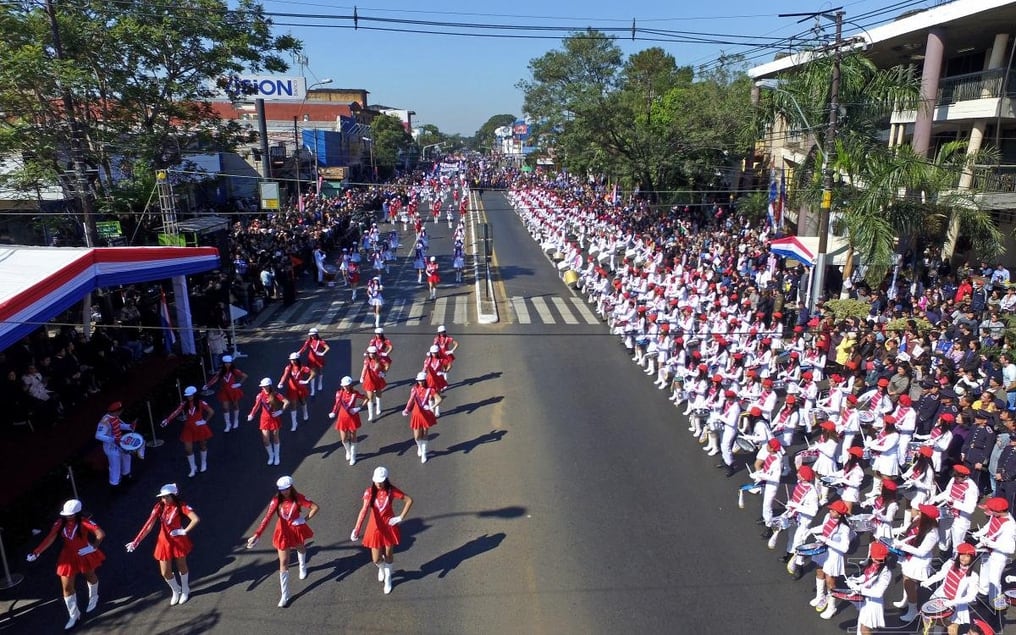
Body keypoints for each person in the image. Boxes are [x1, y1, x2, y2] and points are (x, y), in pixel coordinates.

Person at [25, 499, 105, 630]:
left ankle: (94, 597)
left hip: (83, 553)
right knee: (67, 587)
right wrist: (37, 552)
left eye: (71, 514)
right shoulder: (59, 523)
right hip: (67, 557)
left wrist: (93, 547)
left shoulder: (84, 521)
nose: (68, 516)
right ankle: (74, 615)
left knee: (90, 576)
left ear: (77, 513)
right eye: (66, 514)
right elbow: (50, 537)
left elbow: (100, 534)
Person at [247, 476, 320, 607]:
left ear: (291, 487)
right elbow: (266, 518)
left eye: (286, 489)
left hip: (295, 529)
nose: (284, 492)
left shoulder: (299, 497)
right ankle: (285, 595)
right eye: (281, 490)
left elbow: (315, 507)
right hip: (282, 532)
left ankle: (302, 566)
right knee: (284, 561)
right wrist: (256, 535)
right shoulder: (275, 501)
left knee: (300, 548)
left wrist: (304, 519)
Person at [125, 483, 199, 607]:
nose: (163, 499)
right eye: (162, 497)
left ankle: (185, 589)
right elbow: (149, 525)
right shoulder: (159, 507)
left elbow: (195, 519)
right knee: (165, 572)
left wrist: (184, 531)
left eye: (166, 497)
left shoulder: (181, 506)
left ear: (173, 496)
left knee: (182, 566)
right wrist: (136, 541)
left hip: (178, 540)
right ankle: (176, 590)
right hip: (164, 541)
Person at [350, 466, 413, 595]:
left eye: (381, 480)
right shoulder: (369, 492)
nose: (378, 483)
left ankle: (388, 578)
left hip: (389, 526)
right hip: (374, 528)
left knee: (389, 554)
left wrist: (400, 517)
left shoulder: (391, 491)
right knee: (376, 559)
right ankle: (382, 568)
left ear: (386, 479)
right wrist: (357, 529)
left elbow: (409, 500)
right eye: (376, 480)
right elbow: (364, 510)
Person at [891, 503, 941, 622]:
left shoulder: (932, 534)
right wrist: (890, 532)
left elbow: (922, 552)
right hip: (909, 557)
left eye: (921, 512)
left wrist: (902, 546)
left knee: (910, 585)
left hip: (918, 561)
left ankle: (913, 610)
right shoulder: (918, 520)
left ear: (927, 518)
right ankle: (905, 601)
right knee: (905, 579)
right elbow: (905, 530)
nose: (918, 512)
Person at [921, 542, 979, 634]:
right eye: (962, 555)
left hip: (956, 604)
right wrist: (928, 581)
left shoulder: (973, 576)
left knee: (952, 628)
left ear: (972, 558)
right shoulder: (950, 563)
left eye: (967, 556)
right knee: (938, 622)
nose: (963, 558)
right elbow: (940, 574)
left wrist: (952, 602)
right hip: (942, 596)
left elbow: (970, 597)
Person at [835, 541, 892, 631]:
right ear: (871, 556)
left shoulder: (886, 573)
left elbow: (878, 593)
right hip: (866, 599)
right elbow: (867, 576)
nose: (881, 561)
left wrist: (859, 588)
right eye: (878, 559)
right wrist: (856, 579)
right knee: (861, 626)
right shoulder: (873, 564)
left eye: (883, 559)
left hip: (874, 603)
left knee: (865, 629)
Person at [810, 499, 853, 617]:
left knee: (830, 582)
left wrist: (827, 541)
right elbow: (823, 527)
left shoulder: (844, 528)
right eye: (831, 509)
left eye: (833, 510)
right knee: (819, 572)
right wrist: (810, 530)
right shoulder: (827, 517)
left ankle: (832, 607)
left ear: (839, 514)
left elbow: (844, 548)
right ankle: (820, 596)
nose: (830, 511)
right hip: (823, 551)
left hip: (834, 555)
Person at [160, 386, 215, 478]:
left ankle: (203, 463)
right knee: (188, 449)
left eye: (190, 395)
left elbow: (211, 411)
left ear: (194, 395)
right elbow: (176, 412)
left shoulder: (201, 403)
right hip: (189, 428)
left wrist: (204, 421)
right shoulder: (184, 404)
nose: (189, 397)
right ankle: (193, 468)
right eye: (187, 396)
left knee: (202, 445)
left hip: (200, 426)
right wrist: (167, 420)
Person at [972, 496, 1015, 610]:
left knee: (994, 581)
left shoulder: (1010, 526)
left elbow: (1010, 549)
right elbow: (988, 527)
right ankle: (983, 596)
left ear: (999, 511)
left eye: (990, 509)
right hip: (988, 550)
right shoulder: (995, 515)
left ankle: (996, 605)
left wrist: (989, 543)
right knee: (984, 575)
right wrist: (978, 534)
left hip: (998, 555)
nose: (988, 511)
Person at [931, 464, 980, 554]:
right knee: (943, 532)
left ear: (965, 477)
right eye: (955, 477)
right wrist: (934, 500)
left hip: (961, 518)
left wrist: (954, 503)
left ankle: (955, 559)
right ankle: (943, 552)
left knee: (957, 541)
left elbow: (970, 508)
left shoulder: (972, 488)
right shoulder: (954, 479)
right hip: (948, 511)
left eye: (958, 478)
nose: (955, 479)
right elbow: (947, 492)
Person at [95, 401, 137, 490]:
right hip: (111, 447)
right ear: (116, 411)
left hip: (119, 442)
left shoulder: (114, 417)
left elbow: (118, 425)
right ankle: (115, 486)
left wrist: (129, 426)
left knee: (127, 457)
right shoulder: (104, 421)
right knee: (115, 466)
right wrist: (112, 439)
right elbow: (98, 435)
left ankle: (126, 476)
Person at [248, 378, 290, 466]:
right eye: (262, 386)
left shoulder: (276, 394)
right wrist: (252, 414)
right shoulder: (260, 395)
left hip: (274, 418)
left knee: (275, 437)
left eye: (265, 386)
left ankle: (277, 455)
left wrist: (281, 411)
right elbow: (256, 406)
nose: (263, 388)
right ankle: (271, 455)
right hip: (264, 419)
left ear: (269, 386)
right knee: (265, 440)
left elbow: (286, 402)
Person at [202, 354, 247, 432]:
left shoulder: (234, 371)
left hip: (233, 391)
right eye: (226, 363)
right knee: (225, 408)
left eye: (229, 363)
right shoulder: (220, 372)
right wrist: (208, 385)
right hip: (224, 391)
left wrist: (239, 384)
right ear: (223, 364)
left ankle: (236, 420)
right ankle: (228, 424)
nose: (227, 364)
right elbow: (215, 379)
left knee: (235, 405)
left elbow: (245, 376)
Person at [403, 371, 440, 464]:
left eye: (423, 380)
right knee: (417, 436)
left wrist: (432, 407)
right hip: (416, 413)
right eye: (419, 381)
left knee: (425, 434)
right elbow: (411, 400)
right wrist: (407, 409)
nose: (421, 382)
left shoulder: (430, 390)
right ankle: (419, 447)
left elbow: (439, 399)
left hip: (426, 413)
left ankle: (424, 453)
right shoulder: (414, 389)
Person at [329, 376, 366, 466]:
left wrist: (358, 408)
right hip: (342, 418)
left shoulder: (355, 393)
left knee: (353, 437)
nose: (346, 387)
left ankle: (353, 455)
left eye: (348, 385)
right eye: (344, 386)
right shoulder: (339, 393)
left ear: (351, 385)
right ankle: (348, 451)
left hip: (352, 417)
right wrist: (333, 412)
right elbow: (337, 404)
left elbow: (366, 398)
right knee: (344, 438)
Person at [278, 352, 313, 432]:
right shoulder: (288, 367)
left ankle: (305, 413)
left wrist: (307, 381)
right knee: (293, 405)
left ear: (297, 360)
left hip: (301, 388)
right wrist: (281, 382)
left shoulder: (302, 367)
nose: (292, 361)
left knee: (302, 401)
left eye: (294, 360)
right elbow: (284, 375)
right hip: (292, 389)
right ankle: (294, 423)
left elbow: (313, 373)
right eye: (291, 360)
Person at [360, 346, 389, 422]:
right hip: (369, 380)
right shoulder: (367, 360)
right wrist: (362, 377)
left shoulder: (380, 359)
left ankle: (378, 408)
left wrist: (383, 373)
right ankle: (371, 415)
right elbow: (364, 369)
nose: (371, 355)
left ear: (376, 353)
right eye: (370, 353)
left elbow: (387, 365)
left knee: (378, 394)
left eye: (373, 353)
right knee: (370, 397)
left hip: (378, 379)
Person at [297, 329, 329, 397]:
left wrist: (322, 353)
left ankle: (320, 383)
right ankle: (313, 390)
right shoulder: (309, 341)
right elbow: (304, 348)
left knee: (320, 371)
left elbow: (327, 348)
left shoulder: (320, 341)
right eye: (311, 335)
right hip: (311, 359)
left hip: (319, 359)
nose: (312, 336)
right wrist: (299, 352)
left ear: (316, 334)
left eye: (313, 335)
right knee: (312, 373)